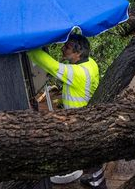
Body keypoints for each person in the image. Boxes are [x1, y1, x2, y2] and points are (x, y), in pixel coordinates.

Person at [27, 34, 107, 189]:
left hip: (79, 119)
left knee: (86, 153)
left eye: (67, 47)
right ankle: (93, 179)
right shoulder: (90, 63)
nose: (62, 48)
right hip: (88, 114)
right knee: (90, 153)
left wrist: (28, 47)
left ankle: (98, 185)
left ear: (78, 53)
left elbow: (52, 65)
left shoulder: (76, 73)